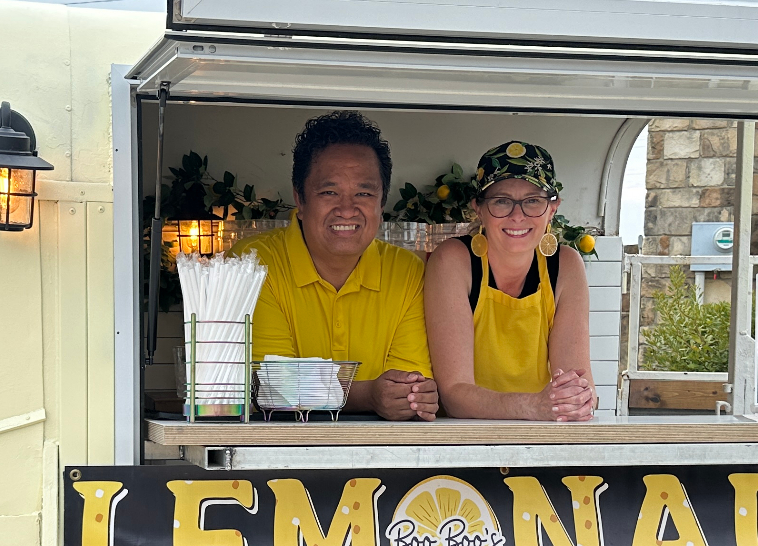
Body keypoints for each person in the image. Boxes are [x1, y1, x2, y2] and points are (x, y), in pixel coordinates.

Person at [236, 111, 438, 421]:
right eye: (329, 192)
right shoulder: (253, 264)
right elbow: (272, 387)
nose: (347, 209)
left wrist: (406, 396)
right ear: (300, 199)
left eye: (364, 193)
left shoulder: (408, 271)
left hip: (383, 449)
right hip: (276, 448)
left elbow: (408, 389)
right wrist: (369, 395)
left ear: (382, 203)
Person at [425, 140, 596, 421]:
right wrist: (533, 406)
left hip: (541, 432)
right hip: (462, 436)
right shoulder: (454, 260)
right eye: (502, 201)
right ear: (478, 208)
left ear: (552, 208)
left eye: (533, 201)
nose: (518, 216)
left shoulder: (565, 265)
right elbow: (454, 394)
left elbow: (579, 381)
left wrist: (576, 399)